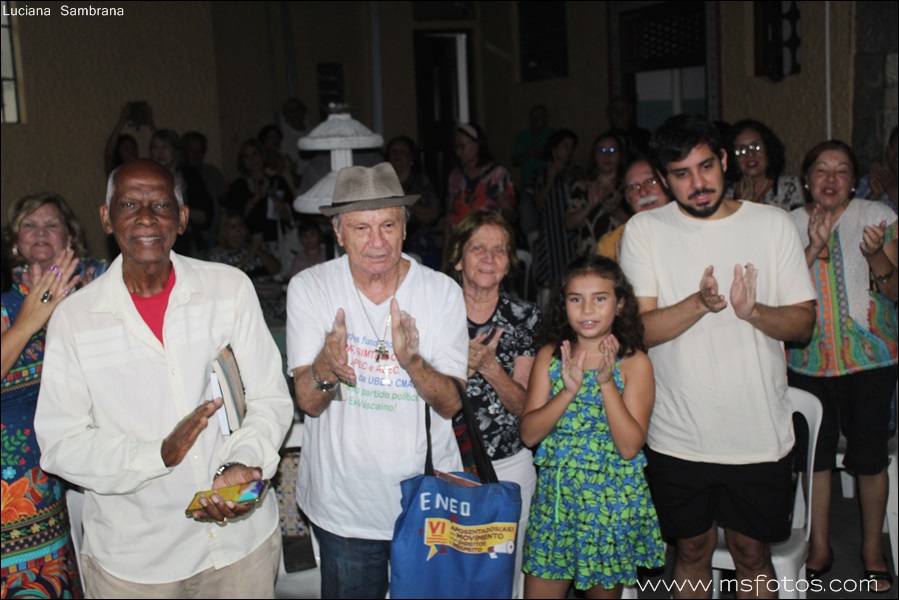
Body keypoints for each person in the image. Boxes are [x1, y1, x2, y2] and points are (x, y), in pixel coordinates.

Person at [34, 160, 293, 598]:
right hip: (136, 562)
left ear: (182, 217)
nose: (146, 218)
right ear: (106, 218)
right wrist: (157, 455)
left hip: (239, 547)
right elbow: (62, 444)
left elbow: (269, 398)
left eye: (160, 205)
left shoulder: (228, 289)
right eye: (129, 205)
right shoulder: (76, 319)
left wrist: (240, 465)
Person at [619, 114, 817, 598]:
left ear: (724, 160)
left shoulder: (772, 224)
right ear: (663, 178)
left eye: (706, 166)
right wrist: (699, 304)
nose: (698, 183)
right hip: (677, 435)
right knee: (690, 552)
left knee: (752, 553)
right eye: (681, 174)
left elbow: (803, 325)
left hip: (759, 434)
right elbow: (637, 331)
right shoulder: (645, 230)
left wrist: (753, 312)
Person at [286, 163, 468, 599]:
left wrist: (413, 363)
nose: (377, 241)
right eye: (361, 228)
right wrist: (327, 366)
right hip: (344, 510)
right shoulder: (310, 287)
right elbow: (308, 402)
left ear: (404, 229)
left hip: (427, 502)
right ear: (339, 233)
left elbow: (452, 405)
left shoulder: (442, 291)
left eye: (388, 225)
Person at [786, 140, 897, 594]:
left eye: (842, 170)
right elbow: (779, 291)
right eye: (821, 170)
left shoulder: (878, 216)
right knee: (814, 457)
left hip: (870, 358)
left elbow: (895, 292)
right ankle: (819, 547)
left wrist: (876, 256)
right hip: (806, 359)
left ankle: (873, 549)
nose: (830, 179)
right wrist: (811, 247)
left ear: (854, 180)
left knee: (869, 457)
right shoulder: (787, 224)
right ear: (806, 179)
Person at [520, 255, 664, 598]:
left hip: (610, 508)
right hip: (556, 506)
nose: (587, 309)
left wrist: (606, 383)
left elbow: (629, 447)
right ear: (564, 304)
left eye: (600, 298)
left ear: (620, 304)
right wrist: (567, 392)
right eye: (576, 299)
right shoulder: (551, 356)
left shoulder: (634, 363)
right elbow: (529, 434)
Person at [443, 209, 540, 599]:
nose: (489, 258)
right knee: (448, 567)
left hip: (508, 464)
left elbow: (527, 408)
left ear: (509, 263)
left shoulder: (524, 318)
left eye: (499, 250)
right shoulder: (436, 311)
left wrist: (488, 367)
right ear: (458, 259)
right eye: (478, 248)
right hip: (446, 464)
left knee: (505, 572)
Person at [2, 193, 95, 599]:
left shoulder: (89, 300)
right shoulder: (5, 306)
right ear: (14, 242)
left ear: (69, 238)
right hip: (8, 485)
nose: (40, 232)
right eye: (29, 225)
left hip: (51, 475)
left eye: (51, 225)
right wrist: (29, 319)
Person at [528, 129, 587, 289]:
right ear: (553, 150)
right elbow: (537, 202)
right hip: (550, 233)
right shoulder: (540, 174)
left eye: (571, 147)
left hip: (572, 234)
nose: (569, 151)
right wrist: (551, 179)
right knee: (553, 280)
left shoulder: (576, 173)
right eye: (565, 146)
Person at [445, 124, 516, 254]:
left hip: (488, 246)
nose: (458, 152)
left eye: (462, 146)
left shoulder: (498, 175)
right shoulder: (455, 177)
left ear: (477, 144)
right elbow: (449, 217)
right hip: (460, 246)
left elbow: (511, 217)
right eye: (456, 147)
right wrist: (446, 254)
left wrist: (506, 208)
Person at [207, 210, 284, 326]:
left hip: (271, 294)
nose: (239, 231)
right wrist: (250, 255)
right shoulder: (217, 254)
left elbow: (276, 269)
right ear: (225, 230)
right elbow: (228, 277)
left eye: (241, 225)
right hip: (246, 300)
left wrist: (257, 249)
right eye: (234, 227)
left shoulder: (256, 247)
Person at [149, 129, 214, 256]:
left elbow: (204, 217)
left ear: (176, 150)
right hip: (158, 246)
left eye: (165, 147)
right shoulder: (147, 179)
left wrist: (179, 200)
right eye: (155, 147)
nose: (159, 152)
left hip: (189, 246)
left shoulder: (190, 176)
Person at [386, 135, 442, 268]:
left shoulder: (422, 183)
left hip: (422, 249)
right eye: (393, 151)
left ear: (411, 158)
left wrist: (405, 199)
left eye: (402, 150)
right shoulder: (382, 184)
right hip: (389, 249)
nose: (397, 154)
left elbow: (432, 215)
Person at [597, 157, 669, 261]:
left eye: (651, 181)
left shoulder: (690, 224)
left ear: (667, 183)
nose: (643, 192)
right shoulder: (611, 243)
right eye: (633, 187)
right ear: (627, 199)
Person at [224, 139, 294, 244]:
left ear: (263, 156)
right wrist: (255, 199)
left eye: (255, 154)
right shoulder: (238, 186)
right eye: (246, 157)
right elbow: (235, 218)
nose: (252, 160)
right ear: (243, 162)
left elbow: (290, 217)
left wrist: (273, 196)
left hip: (278, 242)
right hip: (249, 243)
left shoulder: (278, 182)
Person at [724, 119, 804, 211]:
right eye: (741, 150)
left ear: (768, 149)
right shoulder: (725, 192)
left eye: (756, 147)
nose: (750, 154)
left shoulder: (789, 187)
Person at [574, 132, 629, 258]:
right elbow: (569, 223)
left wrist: (616, 211)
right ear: (595, 155)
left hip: (619, 255)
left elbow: (637, 222)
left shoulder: (628, 186)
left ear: (620, 156)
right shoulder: (582, 186)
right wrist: (590, 206)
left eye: (612, 150)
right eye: (602, 150)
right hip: (589, 258)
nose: (607, 155)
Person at [857, 125, 898, 214]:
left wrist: (892, 188)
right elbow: (855, 218)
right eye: (895, 147)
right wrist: (875, 194)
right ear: (888, 150)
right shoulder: (870, 180)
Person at [512, 104, 553, 190]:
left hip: (548, 186)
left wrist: (542, 154)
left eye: (539, 117)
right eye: (533, 117)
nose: (535, 120)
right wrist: (528, 154)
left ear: (546, 119)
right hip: (527, 186)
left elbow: (560, 160)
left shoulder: (553, 135)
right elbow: (514, 161)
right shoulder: (522, 136)